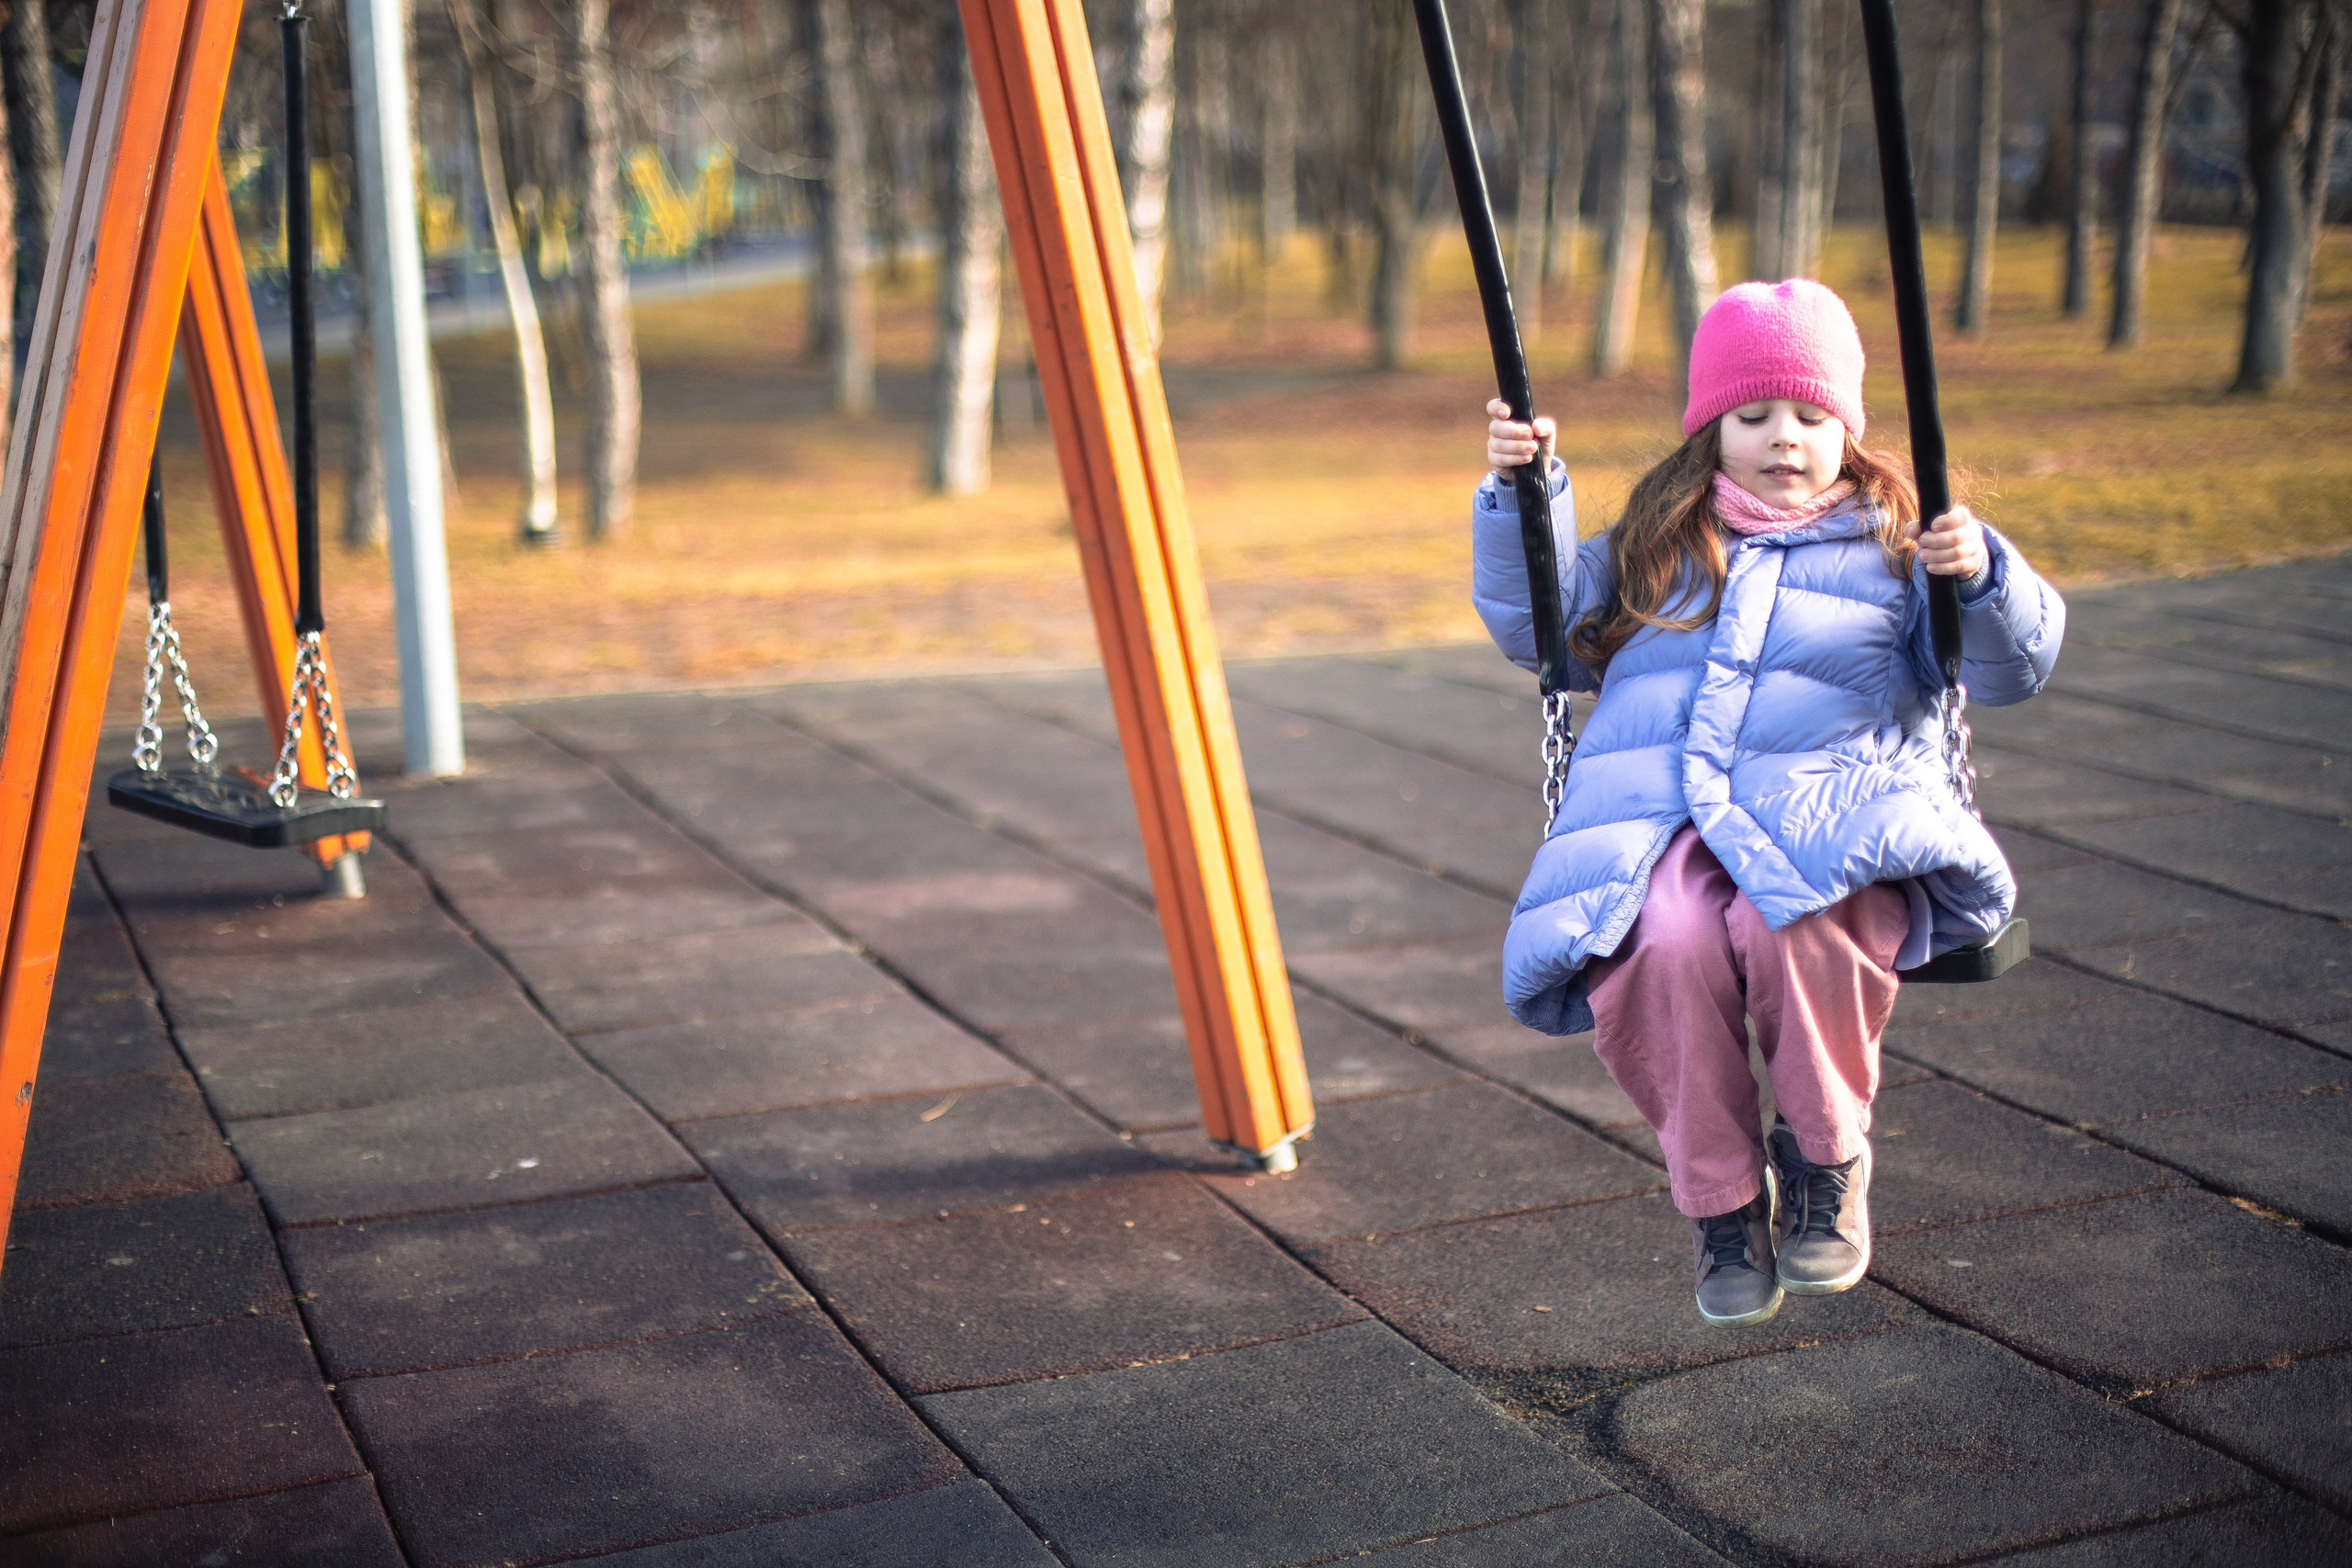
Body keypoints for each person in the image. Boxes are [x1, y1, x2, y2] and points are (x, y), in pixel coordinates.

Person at [1472, 278, 2064, 1326]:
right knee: (1659, 939)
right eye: (1752, 417)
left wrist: (1978, 577)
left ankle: (1826, 1159)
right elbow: (1543, 632)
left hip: (1840, 829)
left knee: (1793, 923)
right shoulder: (1658, 543)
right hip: (1670, 830)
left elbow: (2009, 667)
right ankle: (1722, 1202)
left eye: (1809, 416)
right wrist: (1525, 493)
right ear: (1710, 430)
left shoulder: (1897, 547)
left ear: (1850, 427)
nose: (1782, 440)